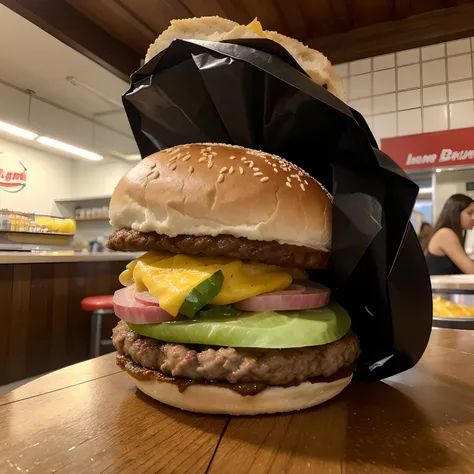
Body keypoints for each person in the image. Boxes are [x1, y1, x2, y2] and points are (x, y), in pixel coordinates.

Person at [426, 194, 474, 274]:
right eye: (469, 213)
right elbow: (471, 270)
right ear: (455, 213)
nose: (473, 218)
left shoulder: (453, 234)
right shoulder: (445, 233)